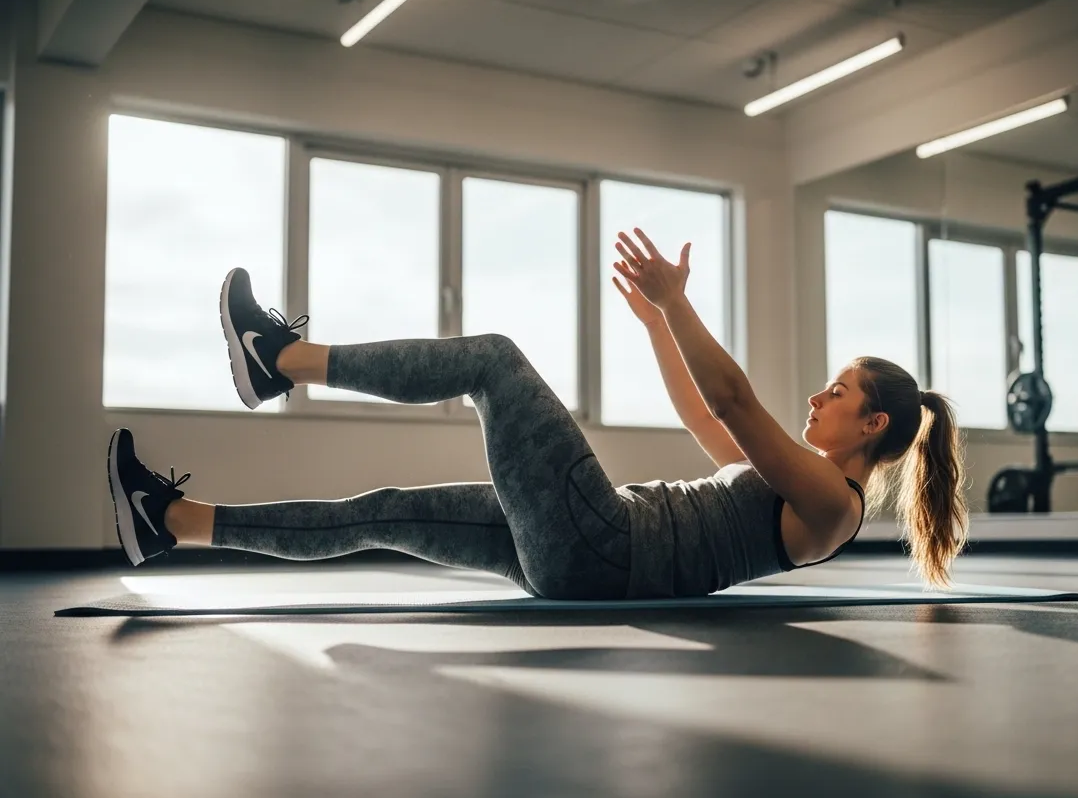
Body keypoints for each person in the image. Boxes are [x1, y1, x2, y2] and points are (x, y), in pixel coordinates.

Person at [108, 229, 968, 599]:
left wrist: (677, 304)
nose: (818, 397)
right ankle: (170, 522)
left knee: (494, 359)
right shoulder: (803, 484)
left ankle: (278, 362)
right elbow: (707, 421)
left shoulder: (833, 507)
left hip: (603, 545)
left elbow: (734, 401)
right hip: (579, 555)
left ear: (873, 427)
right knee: (380, 512)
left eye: (837, 392)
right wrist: (656, 322)